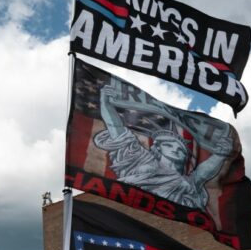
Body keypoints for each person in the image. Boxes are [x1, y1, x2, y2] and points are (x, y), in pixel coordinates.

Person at [93, 78, 234, 211]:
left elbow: (203, 173)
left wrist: (220, 155)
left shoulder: (187, 182)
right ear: (157, 149)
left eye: (181, 150)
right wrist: (105, 102)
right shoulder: (141, 160)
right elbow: (116, 128)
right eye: (169, 145)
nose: (177, 150)